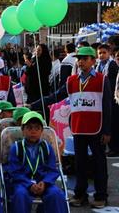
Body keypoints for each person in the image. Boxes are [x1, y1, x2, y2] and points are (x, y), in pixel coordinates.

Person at [30, 47, 112, 208]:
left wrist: (108, 131)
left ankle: (101, 195)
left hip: (97, 128)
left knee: (99, 163)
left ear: (93, 61)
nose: (81, 61)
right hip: (78, 128)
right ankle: (80, 195)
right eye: (79, 58)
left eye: (85, 58)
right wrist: (34, 104)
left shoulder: (102, 80)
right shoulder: (71, 81)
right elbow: (55, 96)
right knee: (79, 164)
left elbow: (107, 106)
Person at [7, 112, 67, 213]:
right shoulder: (16, 148)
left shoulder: (47, 148)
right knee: (20, 195)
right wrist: (29, 184)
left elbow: (53, 170)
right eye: (29, 128)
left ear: (42, 131)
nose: (33, 131)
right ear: (22, 130)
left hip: (43, 182)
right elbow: (14, 172)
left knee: (56, 194)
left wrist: (45, 182)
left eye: (37, 128)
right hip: (23, 183)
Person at [96, 44, 119, 157]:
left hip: (111, 98)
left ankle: (115, 148)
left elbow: (112, 84)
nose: (101, 55)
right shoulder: (99, 65)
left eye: (104, 53)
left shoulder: (112, 65)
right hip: (102, 98)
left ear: (109, 53)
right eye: (99, 53)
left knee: (113, 123)